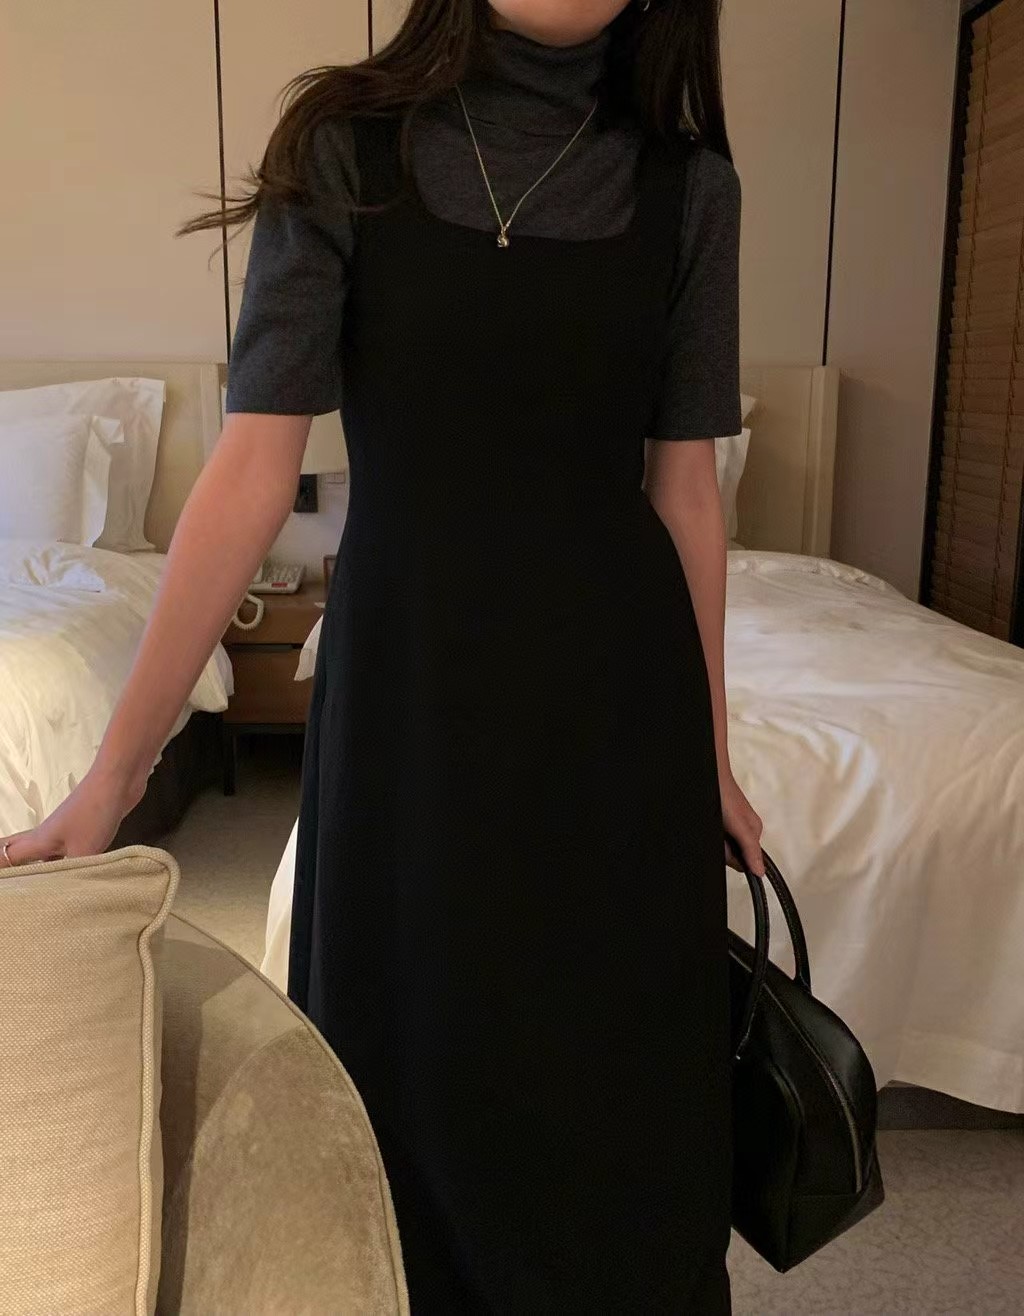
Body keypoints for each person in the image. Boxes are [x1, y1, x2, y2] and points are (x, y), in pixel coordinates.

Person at [1, 0, 766, 1309]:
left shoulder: (690, 187)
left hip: (616, 706)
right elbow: (253, 468)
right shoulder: (343, 147)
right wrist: (111, 777)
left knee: (616, 1077)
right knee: (406, 1068)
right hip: (409, 693)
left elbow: (685, 488)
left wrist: (712, 755)